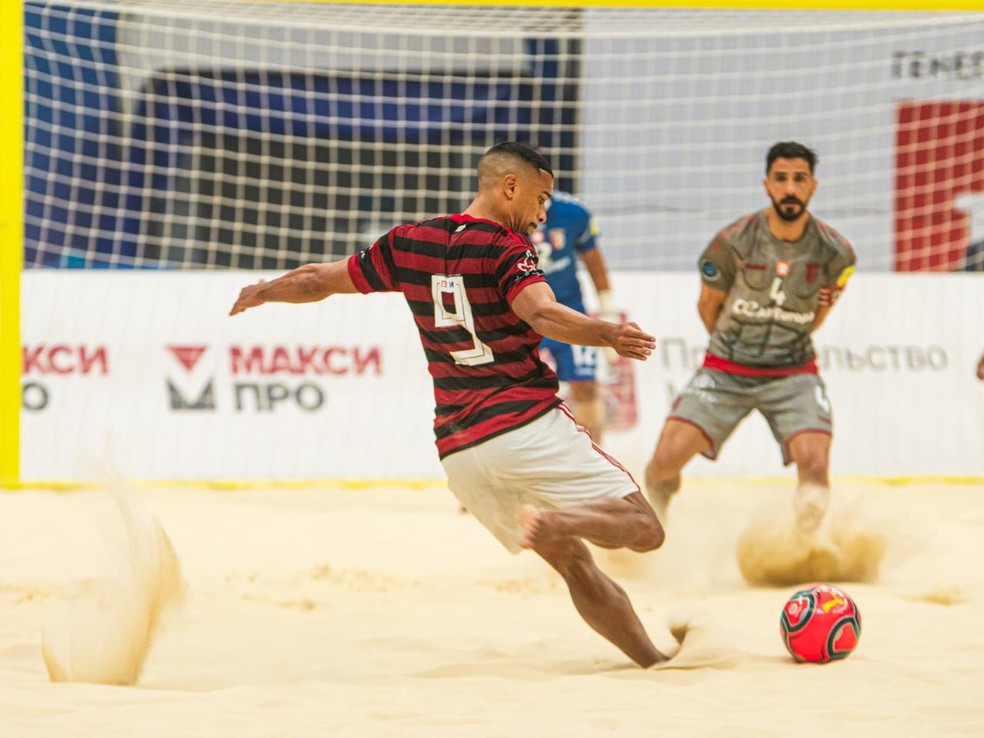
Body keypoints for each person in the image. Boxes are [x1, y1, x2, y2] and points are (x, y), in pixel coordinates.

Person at [230, 142, 672, 667]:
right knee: (645, 529)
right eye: (540, 198)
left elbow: (314, 280)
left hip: (459, 453)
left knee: (575, 566)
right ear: (510, 186)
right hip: (524, 425)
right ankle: (563, 520)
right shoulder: (507, 248)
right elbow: (544, 315)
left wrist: (264, 291)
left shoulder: (408, 241)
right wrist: (610, 333)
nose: (542, 213)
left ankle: (653, 661)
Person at [644, 141, 856, 534]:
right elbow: (707, 306)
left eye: (799, 179)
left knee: (814, 467)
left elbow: (819, 312)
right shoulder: (733, 241)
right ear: (766, 185)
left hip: (793, 374)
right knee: (662, 465)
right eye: (781, 179)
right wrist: (733, 353)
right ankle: (654, 530)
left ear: (813, 187)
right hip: (726, 371)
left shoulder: (837, 252)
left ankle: (802, 550)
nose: (790, 188)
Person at [532, 189, 617, 442]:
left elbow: (594, 261)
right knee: (522, 393)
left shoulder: (573, 213)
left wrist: (608, 310)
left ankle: (595, 463)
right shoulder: (503, 214)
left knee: (586, 387)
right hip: (524, 317)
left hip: (571, 315)